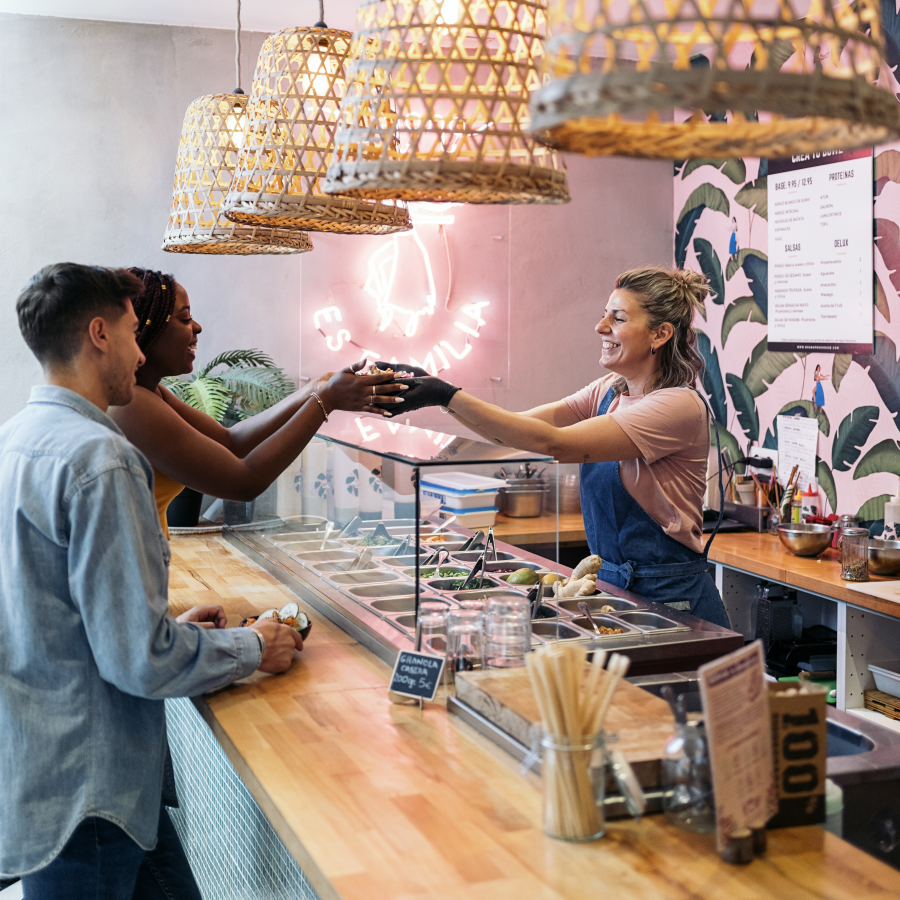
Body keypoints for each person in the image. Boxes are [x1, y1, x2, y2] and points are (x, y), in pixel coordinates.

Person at [0, 263, 303, 898]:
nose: (142, 351)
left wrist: (159, 626)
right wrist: (254, 646)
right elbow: (139, 659)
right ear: (98, 334)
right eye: (136, 332)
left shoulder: (15, 441)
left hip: (47, 769)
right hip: (92, 789)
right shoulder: (101, 459)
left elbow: (49, 612)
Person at [381, 267, 730, 627]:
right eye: (604, 313)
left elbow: (554, 444)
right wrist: (437, 397)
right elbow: (513, 430)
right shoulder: (609, 390)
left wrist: (446, 392)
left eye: (618, 317)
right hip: (614, 590)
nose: (601, 326)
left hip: (673, 600)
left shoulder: (678, 406)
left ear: (660, 334)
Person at [108, 268, 407, 537]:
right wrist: (325, 401)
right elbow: (243, 482)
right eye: (185, 318)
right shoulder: (130, 405)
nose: (197, 327)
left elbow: (232, 440)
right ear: (144, 330)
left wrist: (316, 388)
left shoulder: (152, 392)